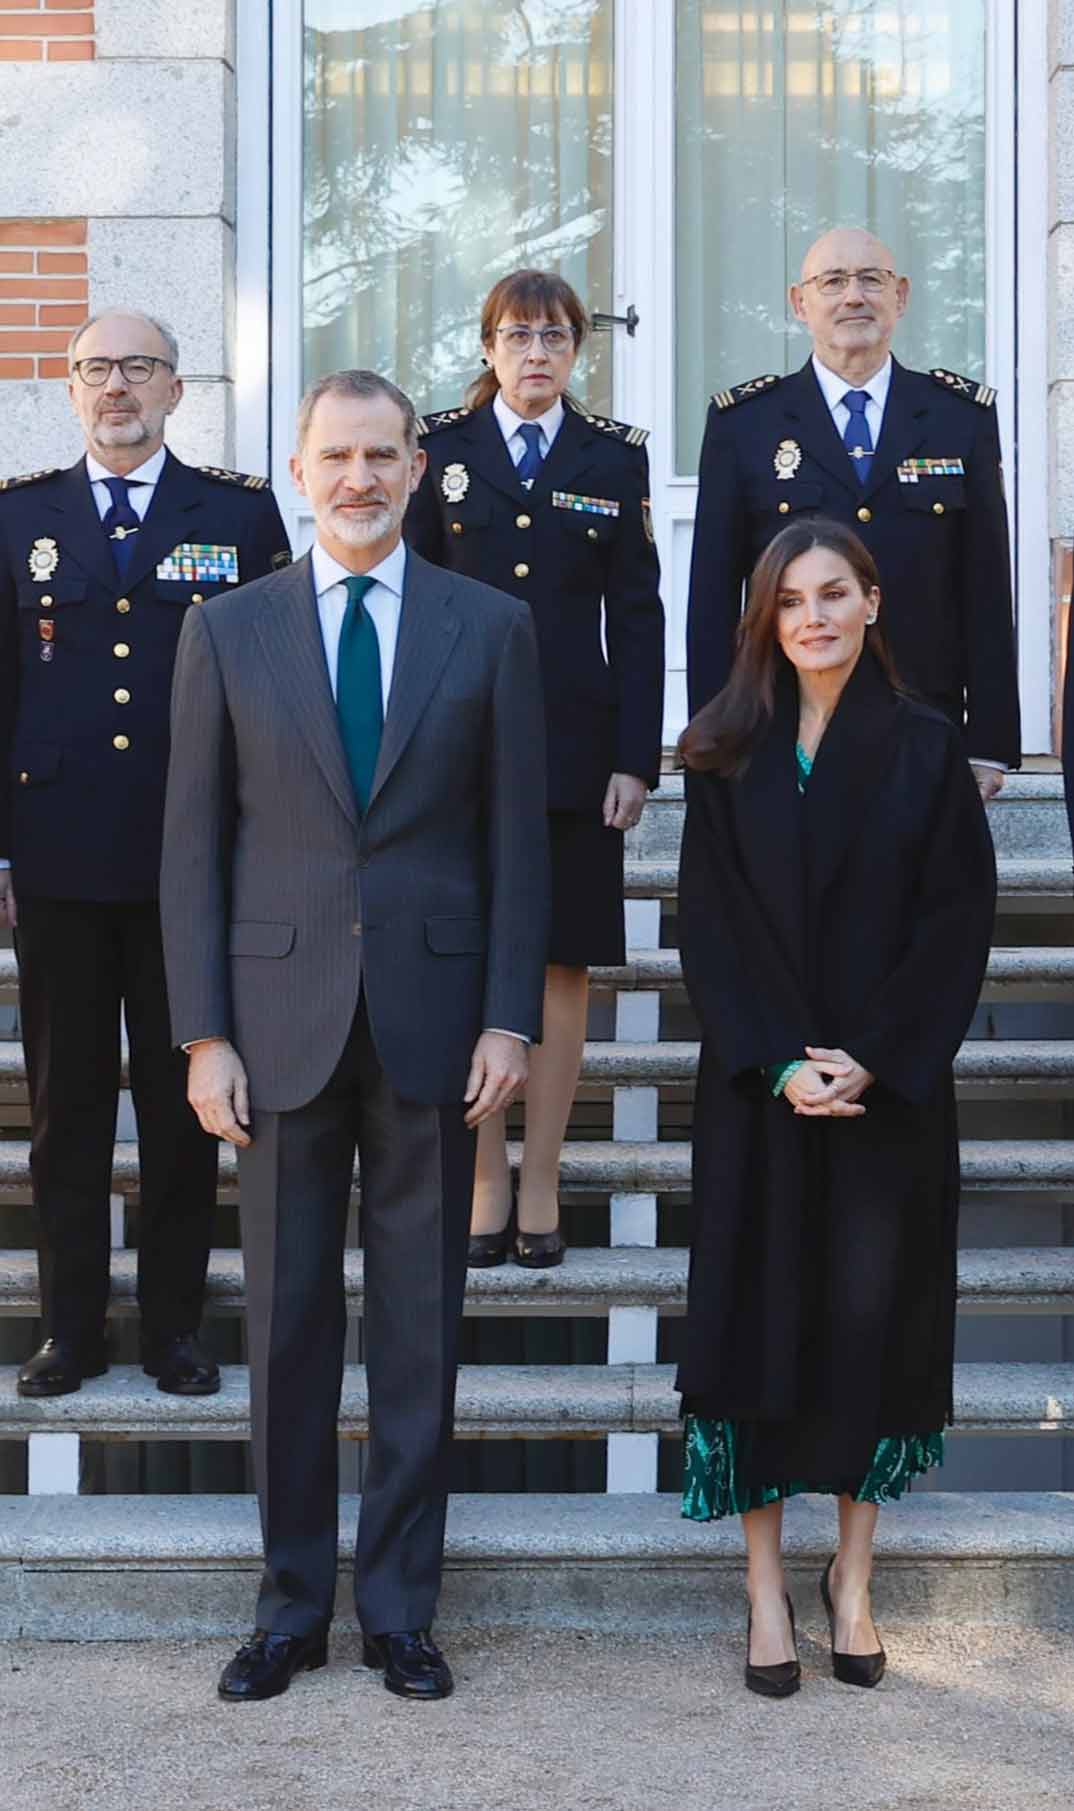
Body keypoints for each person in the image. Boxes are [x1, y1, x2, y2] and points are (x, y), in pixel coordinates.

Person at [160, 369, 548, 1704]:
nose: (360, 477)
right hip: (275, 1025)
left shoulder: (489, 627)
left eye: (383, 454)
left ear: (418, 468)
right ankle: (285, 1607)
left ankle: (398, 1605)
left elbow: (515, 841)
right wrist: (202, 1030)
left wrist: (509, 1011)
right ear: (297, 464)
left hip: (438, 1023)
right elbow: (194, 848)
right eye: (337, 455)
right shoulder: (229, 625)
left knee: (420, 1326)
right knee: (284, 1327)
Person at [675, 519, 996, 1697]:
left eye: (833, 594)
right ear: (764, 617)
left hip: (887, 1095)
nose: (811, 616)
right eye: (789, 600)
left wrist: (871, 1055)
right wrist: (777, 1059)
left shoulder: (924, 745)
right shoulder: (720, 748)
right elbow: (710, 925)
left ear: (871, 601)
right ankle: (764, 1585)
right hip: (761, 1093)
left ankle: (850, 1576)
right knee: (756, 1330)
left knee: (876, 1330)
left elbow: (957, 918)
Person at [0, 309, 291, 1400]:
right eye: (95, 370)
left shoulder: (238, 512)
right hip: (61, 867)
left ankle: (173, 1326)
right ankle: (67, 1329)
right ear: (71, 391)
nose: (115, 386)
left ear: (177, 388)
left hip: (194, 866)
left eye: (138, 367)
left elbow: (272, 691)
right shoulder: (18, 517)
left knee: (184, 1114)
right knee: (67, 1111)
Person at [406, 269, 664, 1267]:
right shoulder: (444, 452)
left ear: (578, 350)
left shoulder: (613, 459)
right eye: (518, 336)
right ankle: (483, 1173)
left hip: (573, 750)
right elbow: (414, 599)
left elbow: (637, 619)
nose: (537, 353)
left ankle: (544, 1172)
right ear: (489, 348)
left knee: (560, 961)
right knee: (471, 953)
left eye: (557, 337)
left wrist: (635, 758)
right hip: (459, 748)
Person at [686, 225, 1020, 795]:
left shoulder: (958, 418)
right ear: (800, 302)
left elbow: (986, 588)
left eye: (872, 279)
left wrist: (989, 743)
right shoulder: (744, 425)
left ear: (902, 296)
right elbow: (713, 599)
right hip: (784, 723)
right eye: (833, 281)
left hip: (923, 721)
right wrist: (716, 734)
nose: (853, 296)